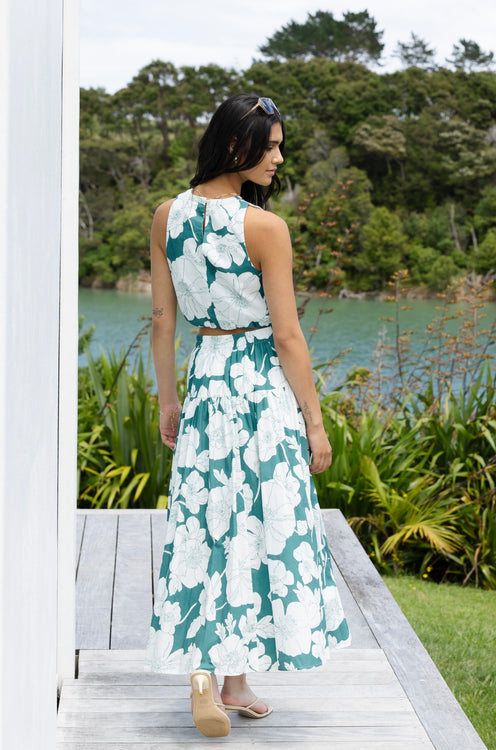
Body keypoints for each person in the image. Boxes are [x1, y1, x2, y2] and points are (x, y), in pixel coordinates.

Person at [144, 93, 350, 738]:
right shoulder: (264, 227)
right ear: (238, 147)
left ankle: (222, 679)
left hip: (206, 376)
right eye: (272, 147)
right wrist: (315, 422)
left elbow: (161, 320)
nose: (279, 159)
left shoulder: (166, 215)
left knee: (207, 518)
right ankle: (222, 674)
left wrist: (167, 398)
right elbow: (288, 335)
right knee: (258, 521)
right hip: (260, 385)